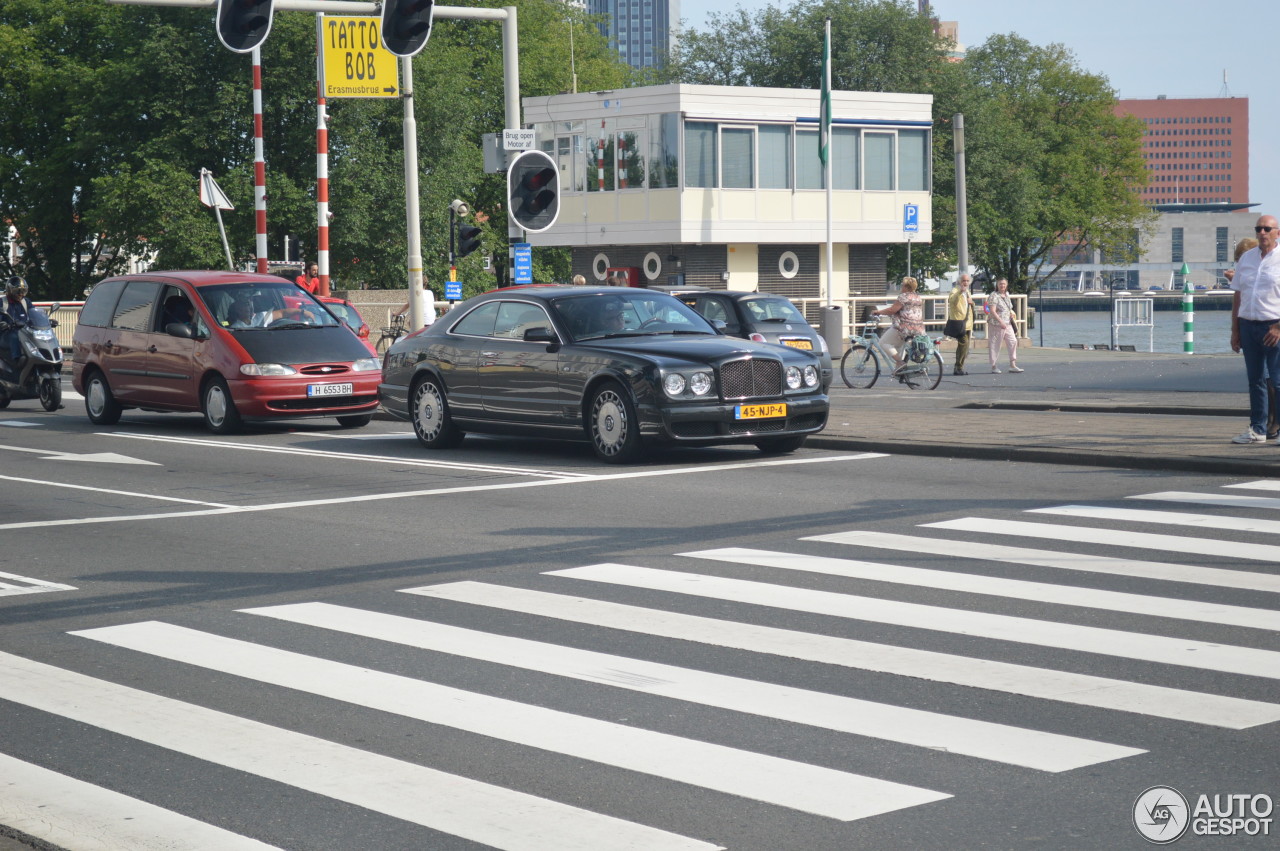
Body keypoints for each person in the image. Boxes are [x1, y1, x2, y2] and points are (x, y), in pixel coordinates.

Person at [1228, 214, 1280, 444]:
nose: (1262, 233)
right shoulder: (1247, 259)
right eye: (1258, 229)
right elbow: (1238, 294)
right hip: (1249, 324)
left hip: (1274, 325)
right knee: (1255, 380)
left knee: (1278, 381)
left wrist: (1279, 327)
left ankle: (1277, 429)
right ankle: (1257, 429)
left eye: (1267, 229)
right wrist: (1235, 330)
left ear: (1277, 232)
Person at [871, 277, 925, 373]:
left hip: (904, 328)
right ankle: (900, 371)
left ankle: (900, 363)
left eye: (902, 285)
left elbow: (892, 310)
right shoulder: (918, 297)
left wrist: (878, 312)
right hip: (918, 328)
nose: (901, 287)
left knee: (883, 343)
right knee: (899, 346)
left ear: (906, 287)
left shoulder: (903, 296)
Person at [985, 277, 1022, 374]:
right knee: (995, 344)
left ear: (1006, 285)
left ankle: (1012, 364)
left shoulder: (1006, 295)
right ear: (997, 285)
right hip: (996, 324)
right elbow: (992, 311)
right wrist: (1000, 321)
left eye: (1004, 284)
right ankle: (994, 366)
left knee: (1013, 341)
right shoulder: (994, 295)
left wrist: (1010, 314)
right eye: (1000, 284)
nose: (1002, 286)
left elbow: (1008, 308)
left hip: (1008, 323)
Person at [1, 276, 35, 375]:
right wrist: (3, 324)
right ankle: (17, 360)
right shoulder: (2, 303)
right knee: (14, 336)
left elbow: (34, 313)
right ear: (10, 291)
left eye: (23, 291)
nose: (20, 294)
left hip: (25, 331)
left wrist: (46, 320)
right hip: (6, 332)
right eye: (18, 291)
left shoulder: (26, 301)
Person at [946, 274, 975, 376]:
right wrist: (960, 292)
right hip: (958, 322)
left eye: (967, 281)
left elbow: (969, 305)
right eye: (963, 280)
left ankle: (959, 367)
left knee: (964, 346)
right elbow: (952, 300)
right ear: (959, 281)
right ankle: (958, 366)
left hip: (967, 322)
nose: (965, 283)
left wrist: (972, 303)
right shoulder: (955, 291)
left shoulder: (967, 292)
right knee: (964, 342)